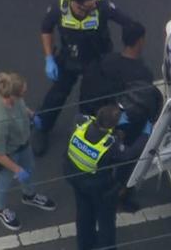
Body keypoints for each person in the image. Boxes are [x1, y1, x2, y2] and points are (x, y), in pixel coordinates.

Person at [33, 0, 133, 157]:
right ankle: (43, 126)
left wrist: (126, 52)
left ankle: (92, 134)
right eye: (89, 6)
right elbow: (45, 29)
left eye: (94, 3)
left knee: (93, 99)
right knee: (56, 94)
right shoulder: (59, 9)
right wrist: (49, 57)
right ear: (76, 5)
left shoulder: (102, 7)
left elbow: (128, 23)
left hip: (96, 60)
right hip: (69, 58)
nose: (94, 7)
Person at [79, 21, 162, 211]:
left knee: (105, 162)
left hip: (103, 119)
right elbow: (144, 103)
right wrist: (145, 132)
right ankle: (120, 196)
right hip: (126, 126)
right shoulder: (142, 73)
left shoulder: (107, 61)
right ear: (140, 41)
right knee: (126, 163)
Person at [64, 104, 151, 250]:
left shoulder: (80, 122)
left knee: (84, 214)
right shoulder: (109, 145)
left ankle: (85, 245)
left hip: (75, 178)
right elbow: (129, 154)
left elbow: (84, 118)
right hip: (99, 188)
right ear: (112, 125)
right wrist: (145, 135)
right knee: (106, 221)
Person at [0, 72, 56, 231]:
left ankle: (29, 195)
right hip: (7, 153)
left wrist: (31, 115)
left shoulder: (7, 92)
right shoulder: (0, 120)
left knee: (29, 169)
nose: (25, 93)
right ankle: (0, 209)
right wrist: (17, 169)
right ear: (12, 95)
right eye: (23, 92)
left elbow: (21, 105)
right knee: (3, 182)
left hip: (22, 144)